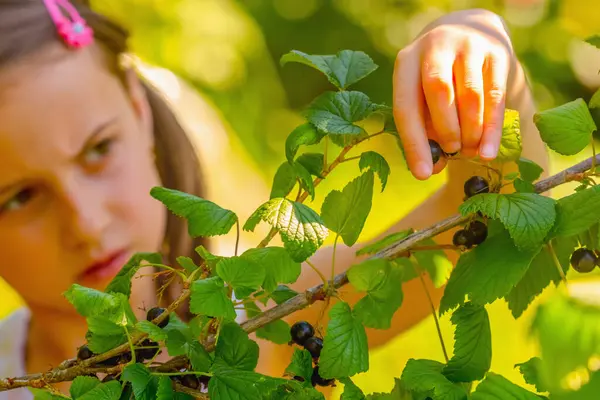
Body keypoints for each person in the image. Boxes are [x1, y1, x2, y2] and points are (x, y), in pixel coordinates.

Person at [0, 1, 547, 399]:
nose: (86, 223)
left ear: (141, 111)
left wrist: (474, 42)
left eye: (98, 149)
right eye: (19, 198)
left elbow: (483, 223)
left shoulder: (272, 317)